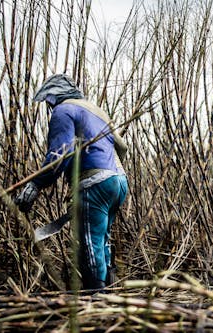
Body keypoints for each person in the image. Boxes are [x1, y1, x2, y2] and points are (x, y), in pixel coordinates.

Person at [14, 74, 128, 290]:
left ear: (54, 96)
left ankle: (96, 296)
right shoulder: (97, 111)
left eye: (49, 101)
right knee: (102, 238)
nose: (49, 106)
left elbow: (60, 155)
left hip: (94, 183)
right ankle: (109, 294)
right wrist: (110, 171)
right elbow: (122, 147)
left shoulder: (63, 110)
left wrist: (36, 185)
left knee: (89, 242)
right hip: (119, 181)